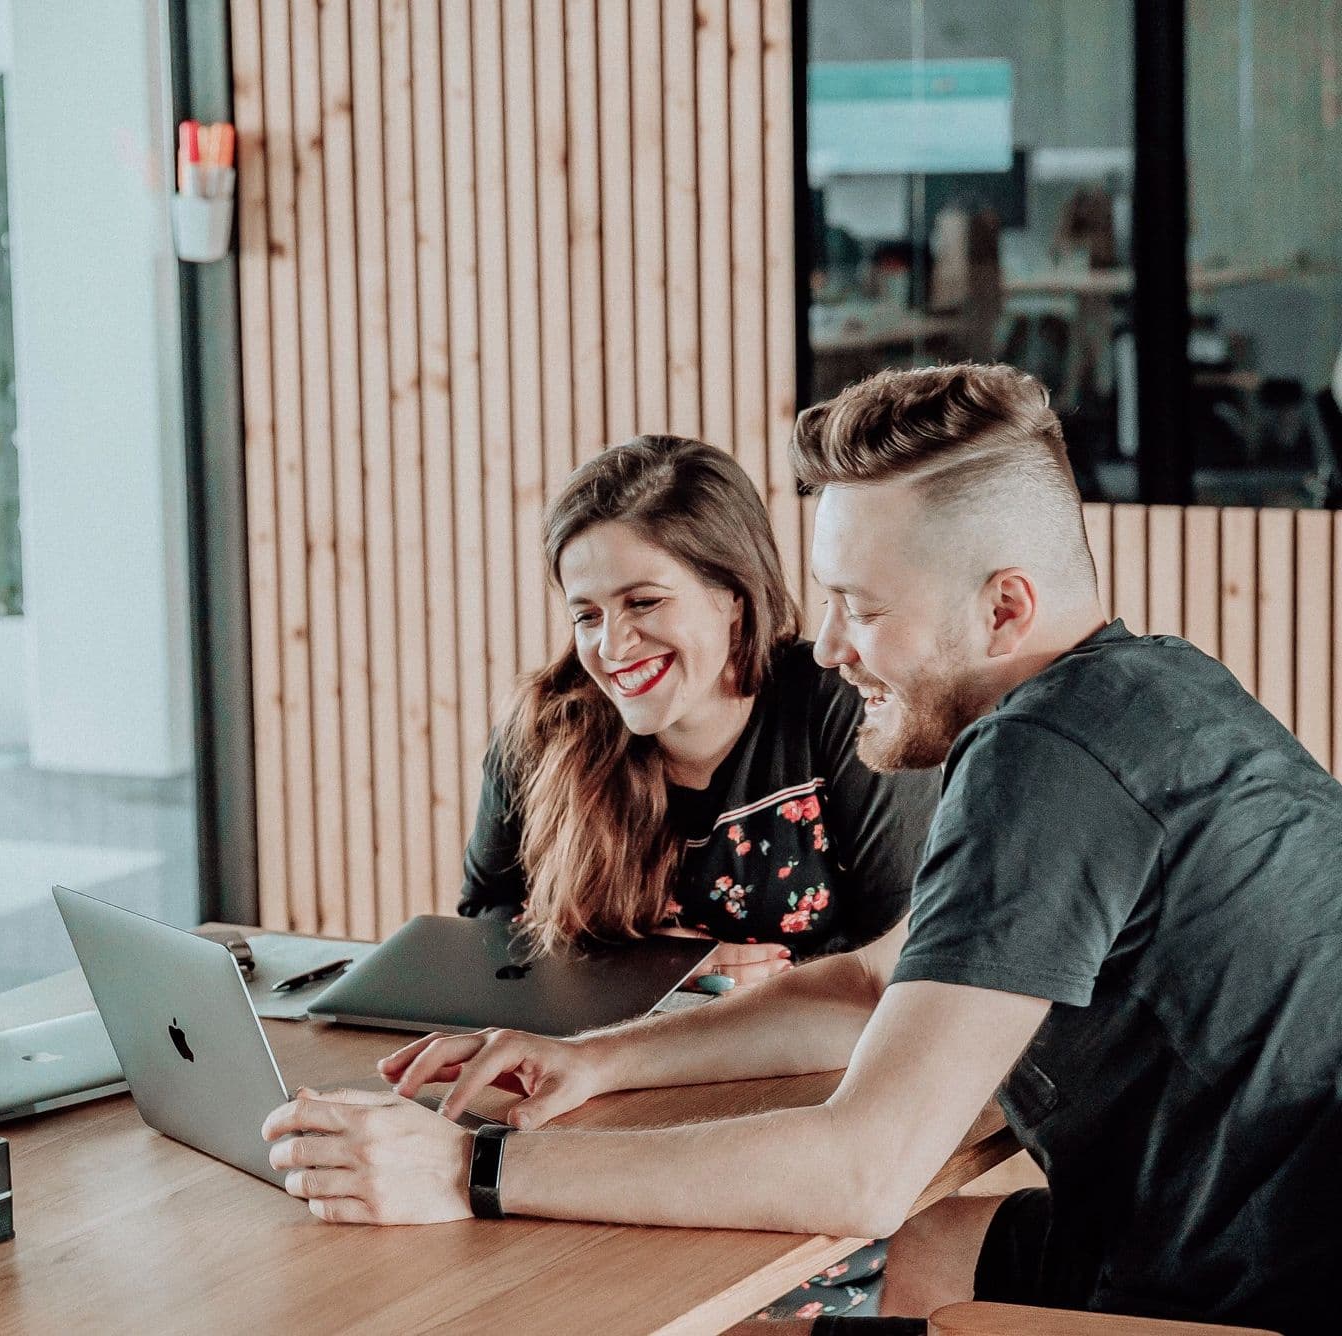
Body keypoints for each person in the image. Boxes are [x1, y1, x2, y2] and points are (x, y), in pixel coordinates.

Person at [262, 363, 1342, 1335]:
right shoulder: (1147, 685)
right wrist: (597, 1059)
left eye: (858, 608)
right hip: (1243, 1236)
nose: (824, 646)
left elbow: (861, 1169)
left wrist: (468, 1166)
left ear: (1002, 609)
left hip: (1260, 1293)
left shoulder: (1042, 755)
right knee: (925, 1251)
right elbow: (876, 982)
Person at [459, 435, 939, 994]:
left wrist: (757, 982)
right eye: (587, 615)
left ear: (734, 593)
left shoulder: (844, 707)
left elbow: (905, 949)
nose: (612, 647)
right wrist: (667, 969)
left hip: (808, 1061)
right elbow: (484, 924)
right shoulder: (539, 731)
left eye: (644, 602)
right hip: (600, 1062)